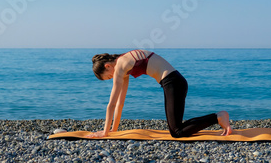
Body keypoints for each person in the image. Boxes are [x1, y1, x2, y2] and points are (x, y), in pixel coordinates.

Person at [88, 49, 232, 138]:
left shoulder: (120, 66)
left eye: (108, 76)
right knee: (177, 128)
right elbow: (119, 103)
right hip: (173, 83)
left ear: (108, 66)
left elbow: (111, 104)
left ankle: (218, 117)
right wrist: (113, 130)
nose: (111, 78)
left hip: (173, 83)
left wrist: (104, 133)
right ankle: (218, 117)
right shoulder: (124, 63)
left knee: (177, 132)